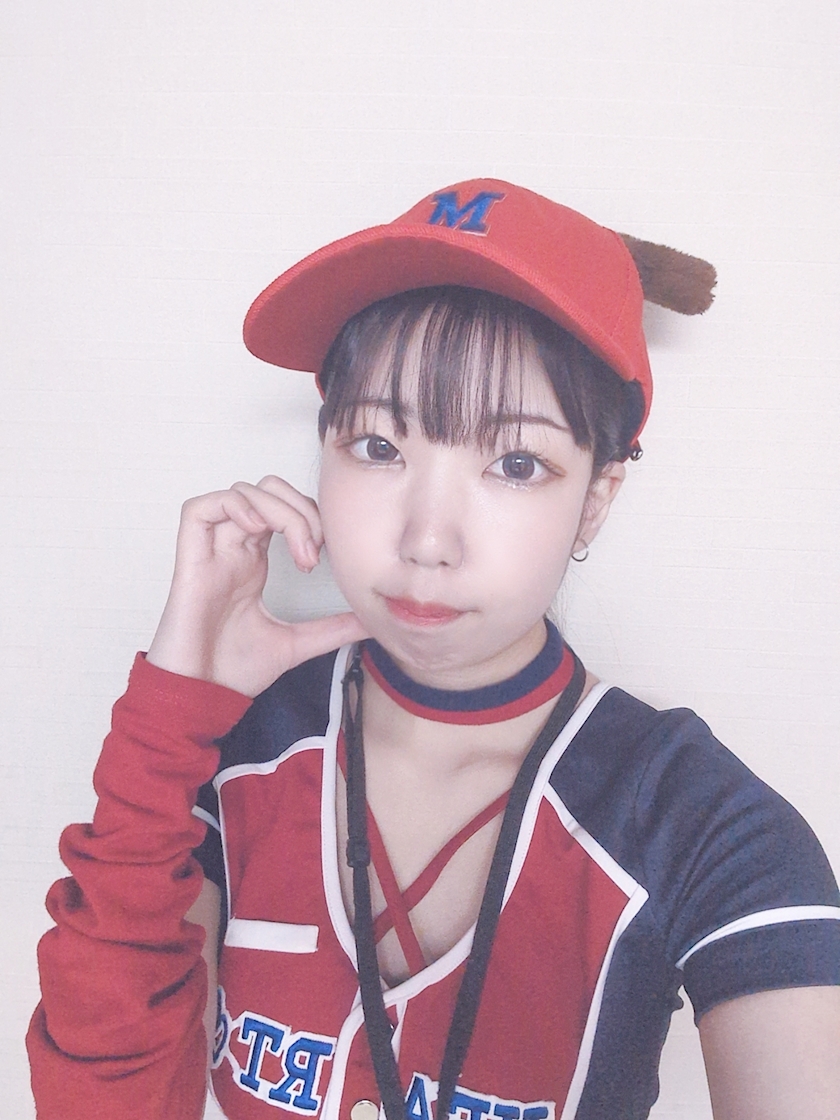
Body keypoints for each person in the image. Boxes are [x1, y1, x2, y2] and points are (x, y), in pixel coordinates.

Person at [27, 180, 840, 1120]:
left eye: (516, 464)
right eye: (378, 446)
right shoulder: (237, 752)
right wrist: (167, 722)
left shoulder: (699, 827)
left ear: (596, 499)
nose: (426, 540)